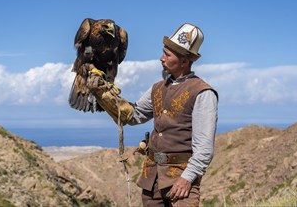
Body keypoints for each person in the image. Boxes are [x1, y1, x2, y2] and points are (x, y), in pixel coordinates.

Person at [86, 23, 218, 207]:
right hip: (151, 179)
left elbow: (204, 148)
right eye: (163, 52)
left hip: (181, 182)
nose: (161, 58)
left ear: (184, 61)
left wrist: (187, 178)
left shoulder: (203, 93)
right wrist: (102, 94)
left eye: (168, 55)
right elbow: (133, 115)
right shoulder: (157, 88)